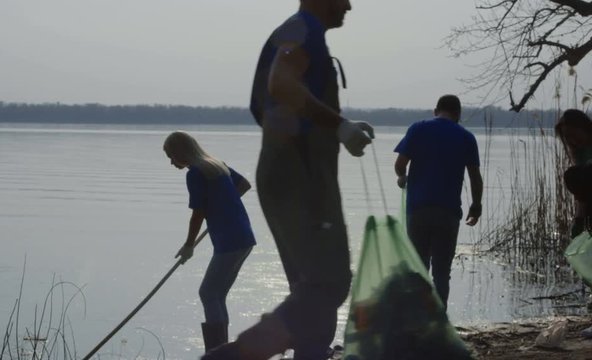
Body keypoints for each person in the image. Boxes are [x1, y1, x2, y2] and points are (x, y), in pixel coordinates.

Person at [203, 0, 374, 359]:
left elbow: (268, 105)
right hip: (299, 178)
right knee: (328, 284)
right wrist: (338, 126)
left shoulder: (301, 32)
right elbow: (281, 84)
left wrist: (338, 127)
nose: (348, 6)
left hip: (294, 174)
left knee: (312, 288)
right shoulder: (301, 29)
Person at [163, 131, 256, 353]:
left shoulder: (195, 173)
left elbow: (198, 212)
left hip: (229, 240)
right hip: (244, 237)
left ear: (180, 152)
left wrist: (188, 245)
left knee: (208, 293)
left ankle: (217, 352)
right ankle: (222, 352)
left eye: (170, 156)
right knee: (217, 295)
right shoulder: (217, 165)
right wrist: (224, 203)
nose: (171, 162)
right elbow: (244, 185)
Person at [393, 94, 483, 309]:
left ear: (436, 110)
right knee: (442, 272)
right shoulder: (466, 137)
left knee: (419, 268)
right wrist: (476, 205)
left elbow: (399, 164)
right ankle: (440, 321)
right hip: (448, 212)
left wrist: (402, 177)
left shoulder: (418, 129)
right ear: (458, 114)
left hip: (418, 210)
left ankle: (419, 320)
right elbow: (474, 176)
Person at [554, 109, 592, 339]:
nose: (572, 141)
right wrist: (578, 220)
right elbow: (583, 194)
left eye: (574, 135)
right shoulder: (579, 156)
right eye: (567, 138)